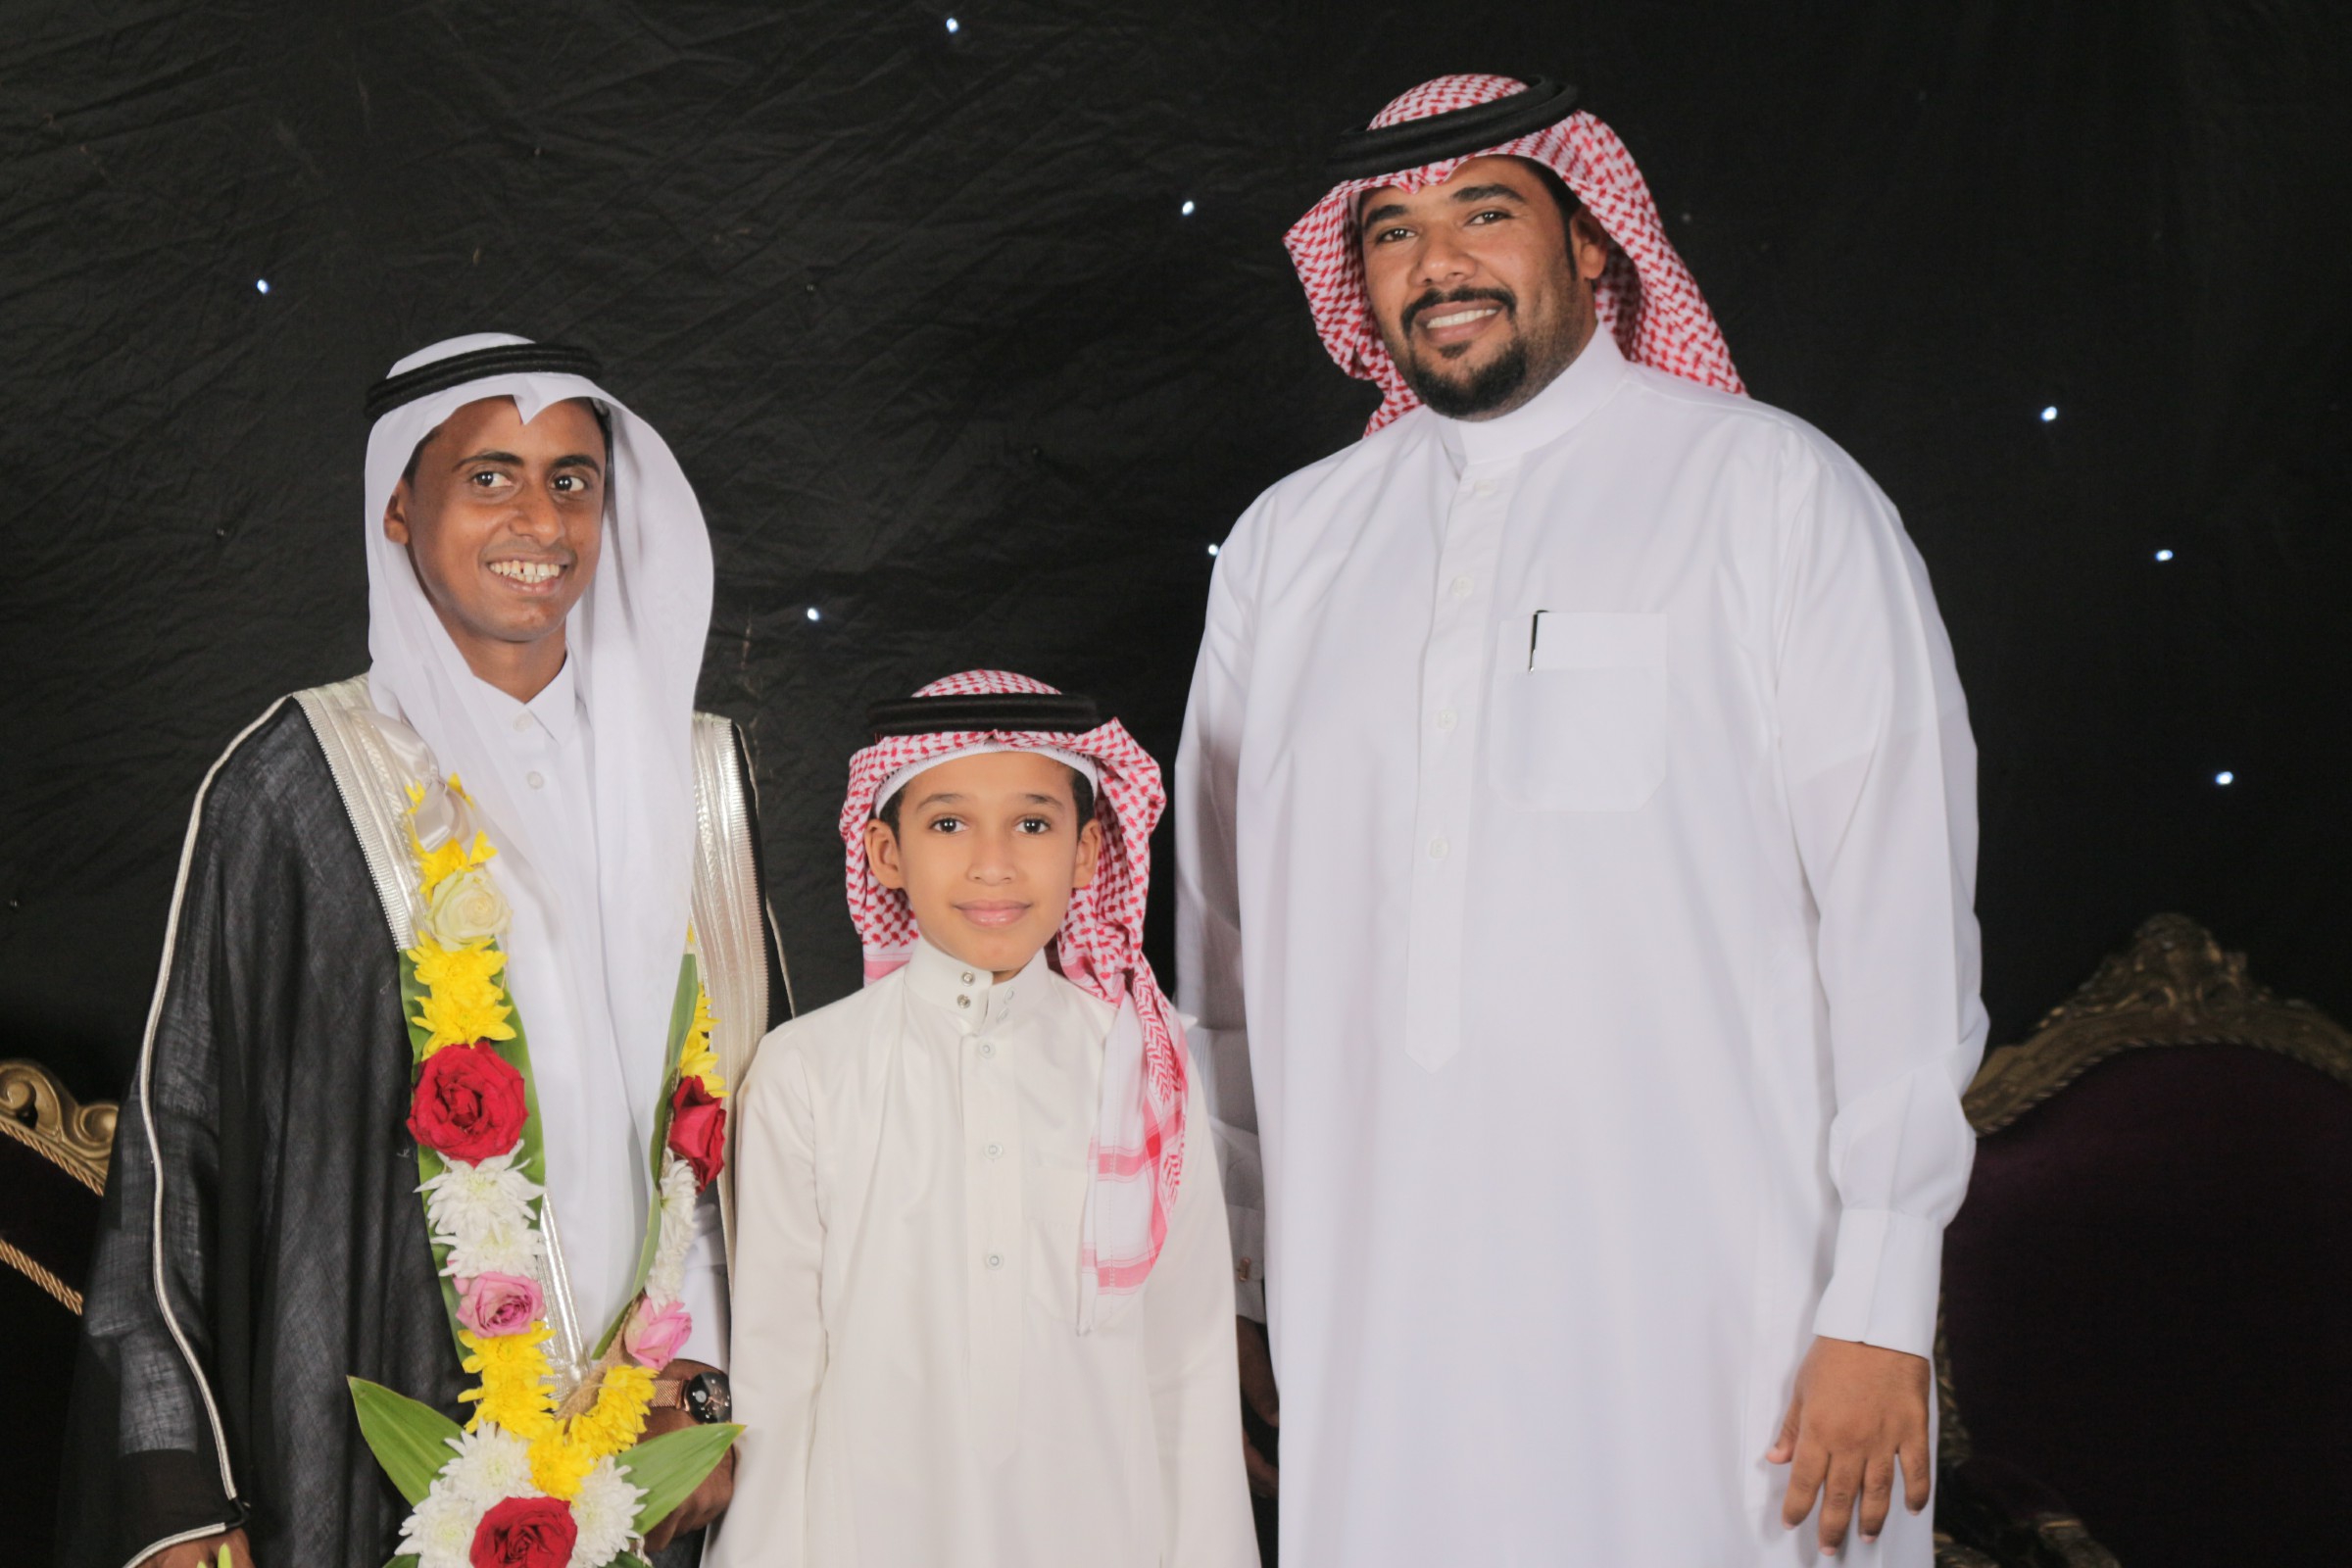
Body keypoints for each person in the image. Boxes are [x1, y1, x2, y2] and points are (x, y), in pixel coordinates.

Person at [1175, 74, 1984, 1566]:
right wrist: (1232, 1280)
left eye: (1485, 211)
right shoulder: (1291, 548)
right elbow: (1220, 959)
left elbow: (1902, 920)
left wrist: (1881, 1300)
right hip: (1377, 1319)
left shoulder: (1773, 494)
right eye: (1393, 231)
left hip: (1723, 1319)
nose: (1439, 263)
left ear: (1593, 237)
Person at [60, 335, 790, 1568]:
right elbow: (180, 1137)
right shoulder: (296, 785)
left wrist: (713, 1401)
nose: (539, 520)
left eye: (571, 480)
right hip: (379, 1430)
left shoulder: (698, 778)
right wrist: (179, 1486)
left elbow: (753, 1132)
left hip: (663, 1453)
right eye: (490, 475)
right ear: (399, 505)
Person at [711, 670, 1257, 1568]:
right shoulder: (807, 1071)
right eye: (948, 824)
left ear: (1087, 853)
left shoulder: (1142, 1070)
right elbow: (779, 1374)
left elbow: (1188, 1368)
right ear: (885, 853)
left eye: (1034, 825)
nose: (993, 863)